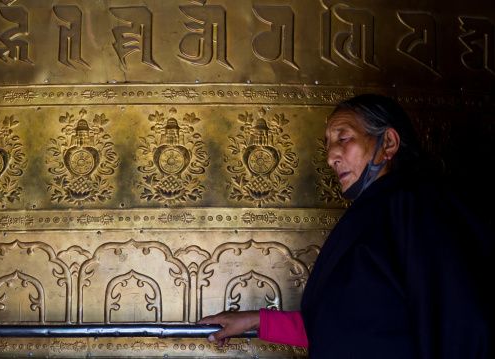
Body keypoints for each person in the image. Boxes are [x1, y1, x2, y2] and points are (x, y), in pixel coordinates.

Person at [198, 94, 493, 359]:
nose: (330, 157)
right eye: (328, 143)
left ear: (388, 143)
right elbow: (345, 326)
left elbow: (460, 323)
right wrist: (255, 321)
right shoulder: (372, 214)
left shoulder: (414, 207)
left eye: (343, 138)